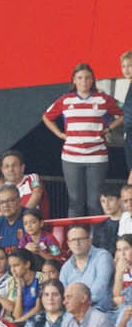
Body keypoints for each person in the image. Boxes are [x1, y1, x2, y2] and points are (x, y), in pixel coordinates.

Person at [42, 64, 122, 219]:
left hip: (97, 157)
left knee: (95, 202)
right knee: (75, 202)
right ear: (74, 80)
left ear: (93, 80)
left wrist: (109, 128)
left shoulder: (103, 99)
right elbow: (47, 116)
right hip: (71, 157)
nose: (84, 81)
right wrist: (59, 134)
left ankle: (98, 239)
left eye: (87, 78)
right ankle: (75, 238)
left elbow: (124, 112)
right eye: (80, 78)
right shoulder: (65, 100)